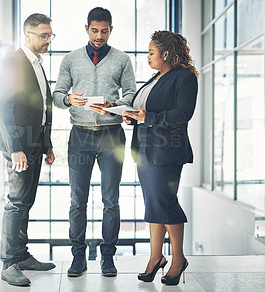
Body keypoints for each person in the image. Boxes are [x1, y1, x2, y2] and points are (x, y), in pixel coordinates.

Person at [53, 7, 136, 277]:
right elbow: (57, 94)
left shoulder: (122, 59)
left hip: (112, 135)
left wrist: (116, 106)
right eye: (94, 30)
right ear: (86, 28)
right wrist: (68, 100)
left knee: (111, 200)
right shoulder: (71, 59)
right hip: (80, 135)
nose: (99, 35)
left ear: (111, 29)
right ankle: (78, 257)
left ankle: (108, 258)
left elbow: (132, 95)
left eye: (104, 30)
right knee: (78, 200)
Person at [122, 30, 198, 286]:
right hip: (144, 150)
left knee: (165, 203)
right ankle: (156, 257)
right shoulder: (157, 77)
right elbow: (145, 111)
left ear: (166, 53)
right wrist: (129, 115)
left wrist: (147, 118)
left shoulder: (184, 78)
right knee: (153, 204)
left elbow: (182, 114)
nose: (148, 57)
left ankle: (178, 259)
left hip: (166, 151)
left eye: (151, 52)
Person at [0, 13, 56, 287]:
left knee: (27, 201)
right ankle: (9, 264)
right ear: (27, 35)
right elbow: (3, 108)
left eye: (50, 35)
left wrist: (47, 145)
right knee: (17, 202)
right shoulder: (12, 62)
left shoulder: (37, 64)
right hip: (18, 146)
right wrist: (16, 149)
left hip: (34, 144)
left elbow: (41, 107)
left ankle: (21, 254)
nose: (48, 40)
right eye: (43, 35)